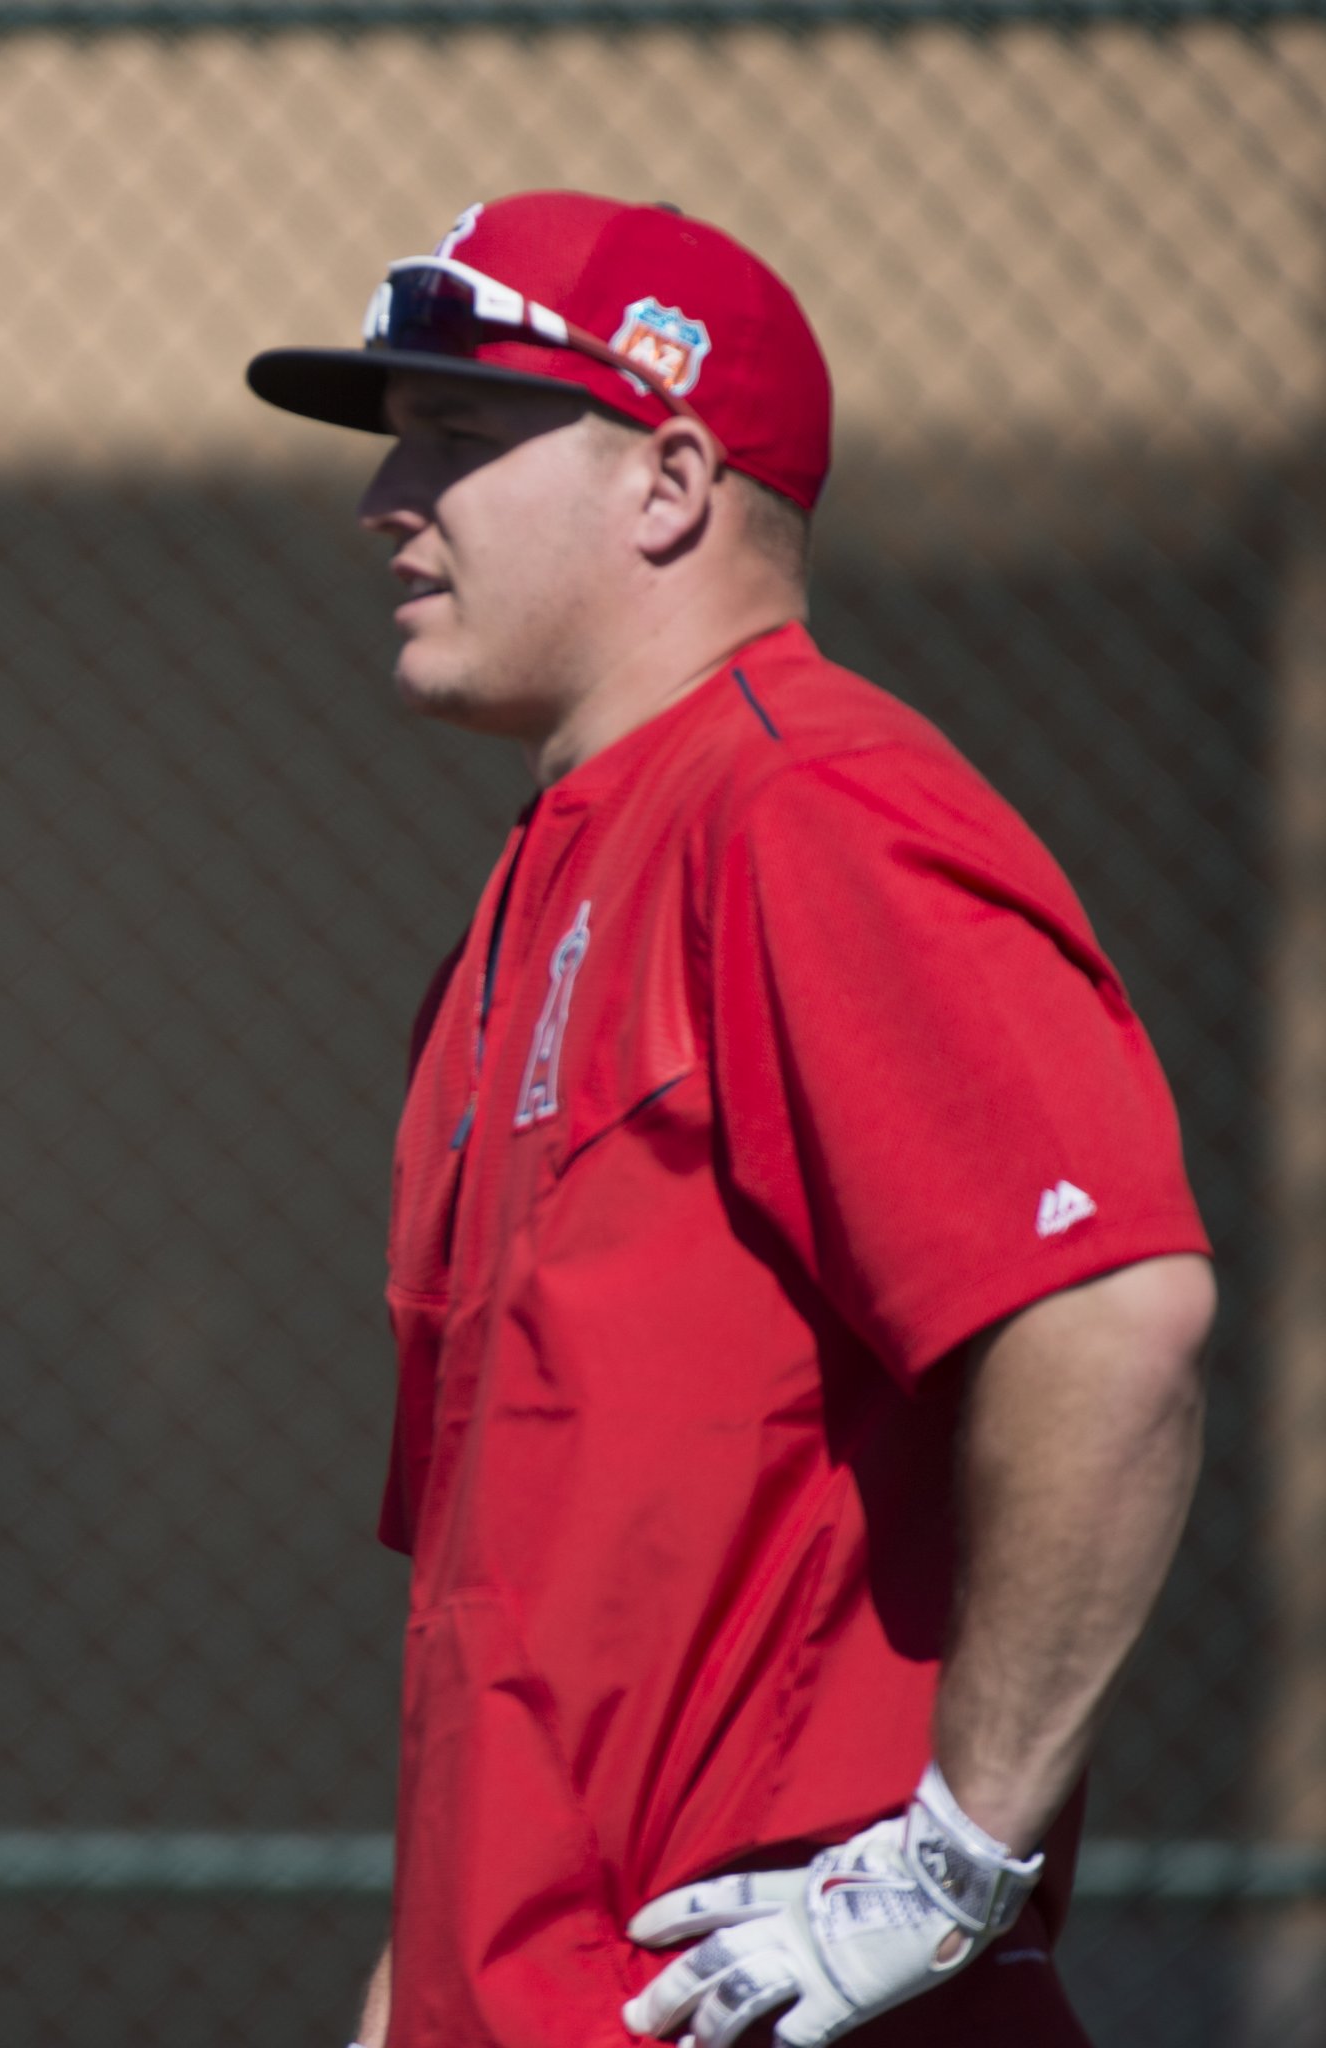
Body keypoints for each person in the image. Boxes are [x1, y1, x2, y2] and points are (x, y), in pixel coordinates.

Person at [248, 191, 1215, 2046]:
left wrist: (956, 1862)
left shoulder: (812, 814)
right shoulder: (514, 916)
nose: (387, 497)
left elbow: (1112, 1322)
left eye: (456, 433)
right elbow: (508, 1638)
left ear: (671, 482)